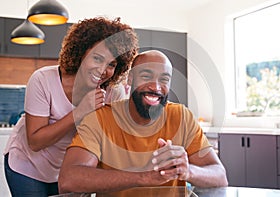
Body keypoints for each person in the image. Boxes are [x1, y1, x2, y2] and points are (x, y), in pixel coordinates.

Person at [58, 50, 228, 196]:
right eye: (146, 76)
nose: (156, 86)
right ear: (130, 79)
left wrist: (187, 170)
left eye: (164, 79)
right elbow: (68, 179)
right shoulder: (100, 119)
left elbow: (219, 175)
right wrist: (143, 177)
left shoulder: (181, 116)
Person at [4, 17, 138, 197]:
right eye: (97, 58)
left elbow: (113, 141)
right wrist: (80, 111)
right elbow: (35, 142)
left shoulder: (114, 93)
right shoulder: (43, 79)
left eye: (112, 64)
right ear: (81, 53)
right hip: (28, 166)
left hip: (70, 170)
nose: (103, 70)